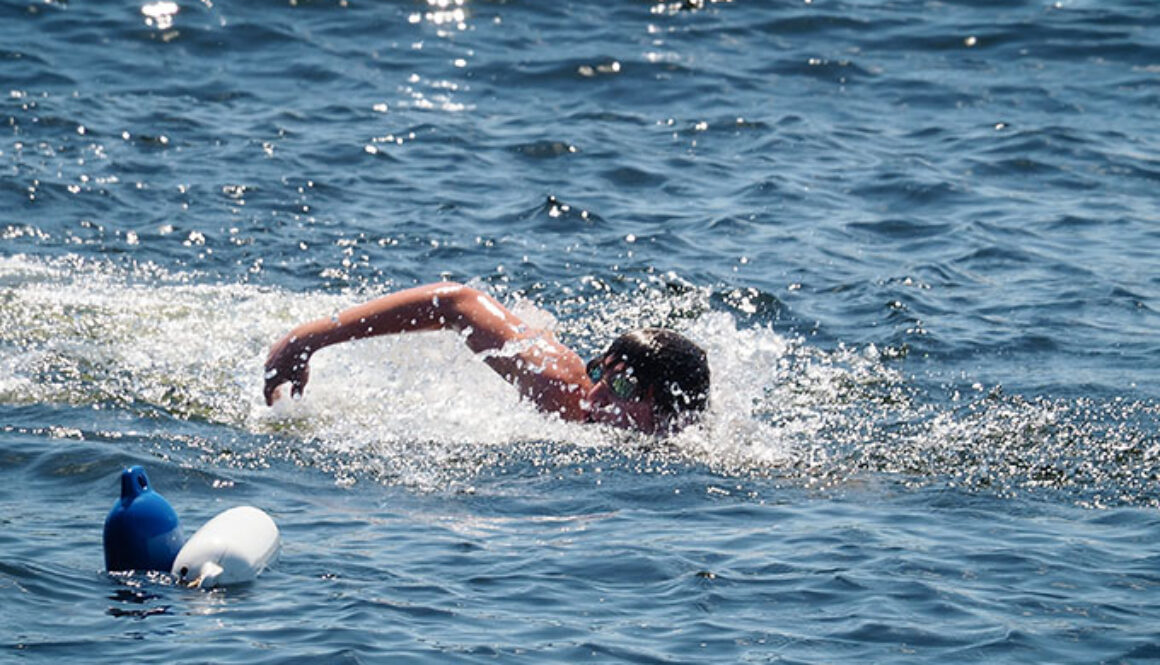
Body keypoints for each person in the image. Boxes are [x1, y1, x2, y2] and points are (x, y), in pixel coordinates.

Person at [263, 282, 710, 434]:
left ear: (672, 413)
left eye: (623, 388)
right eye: (598, 372)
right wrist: (308, 338)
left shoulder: (695, 453)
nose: (594, 397)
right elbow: (456, 302)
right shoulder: (562, 391)